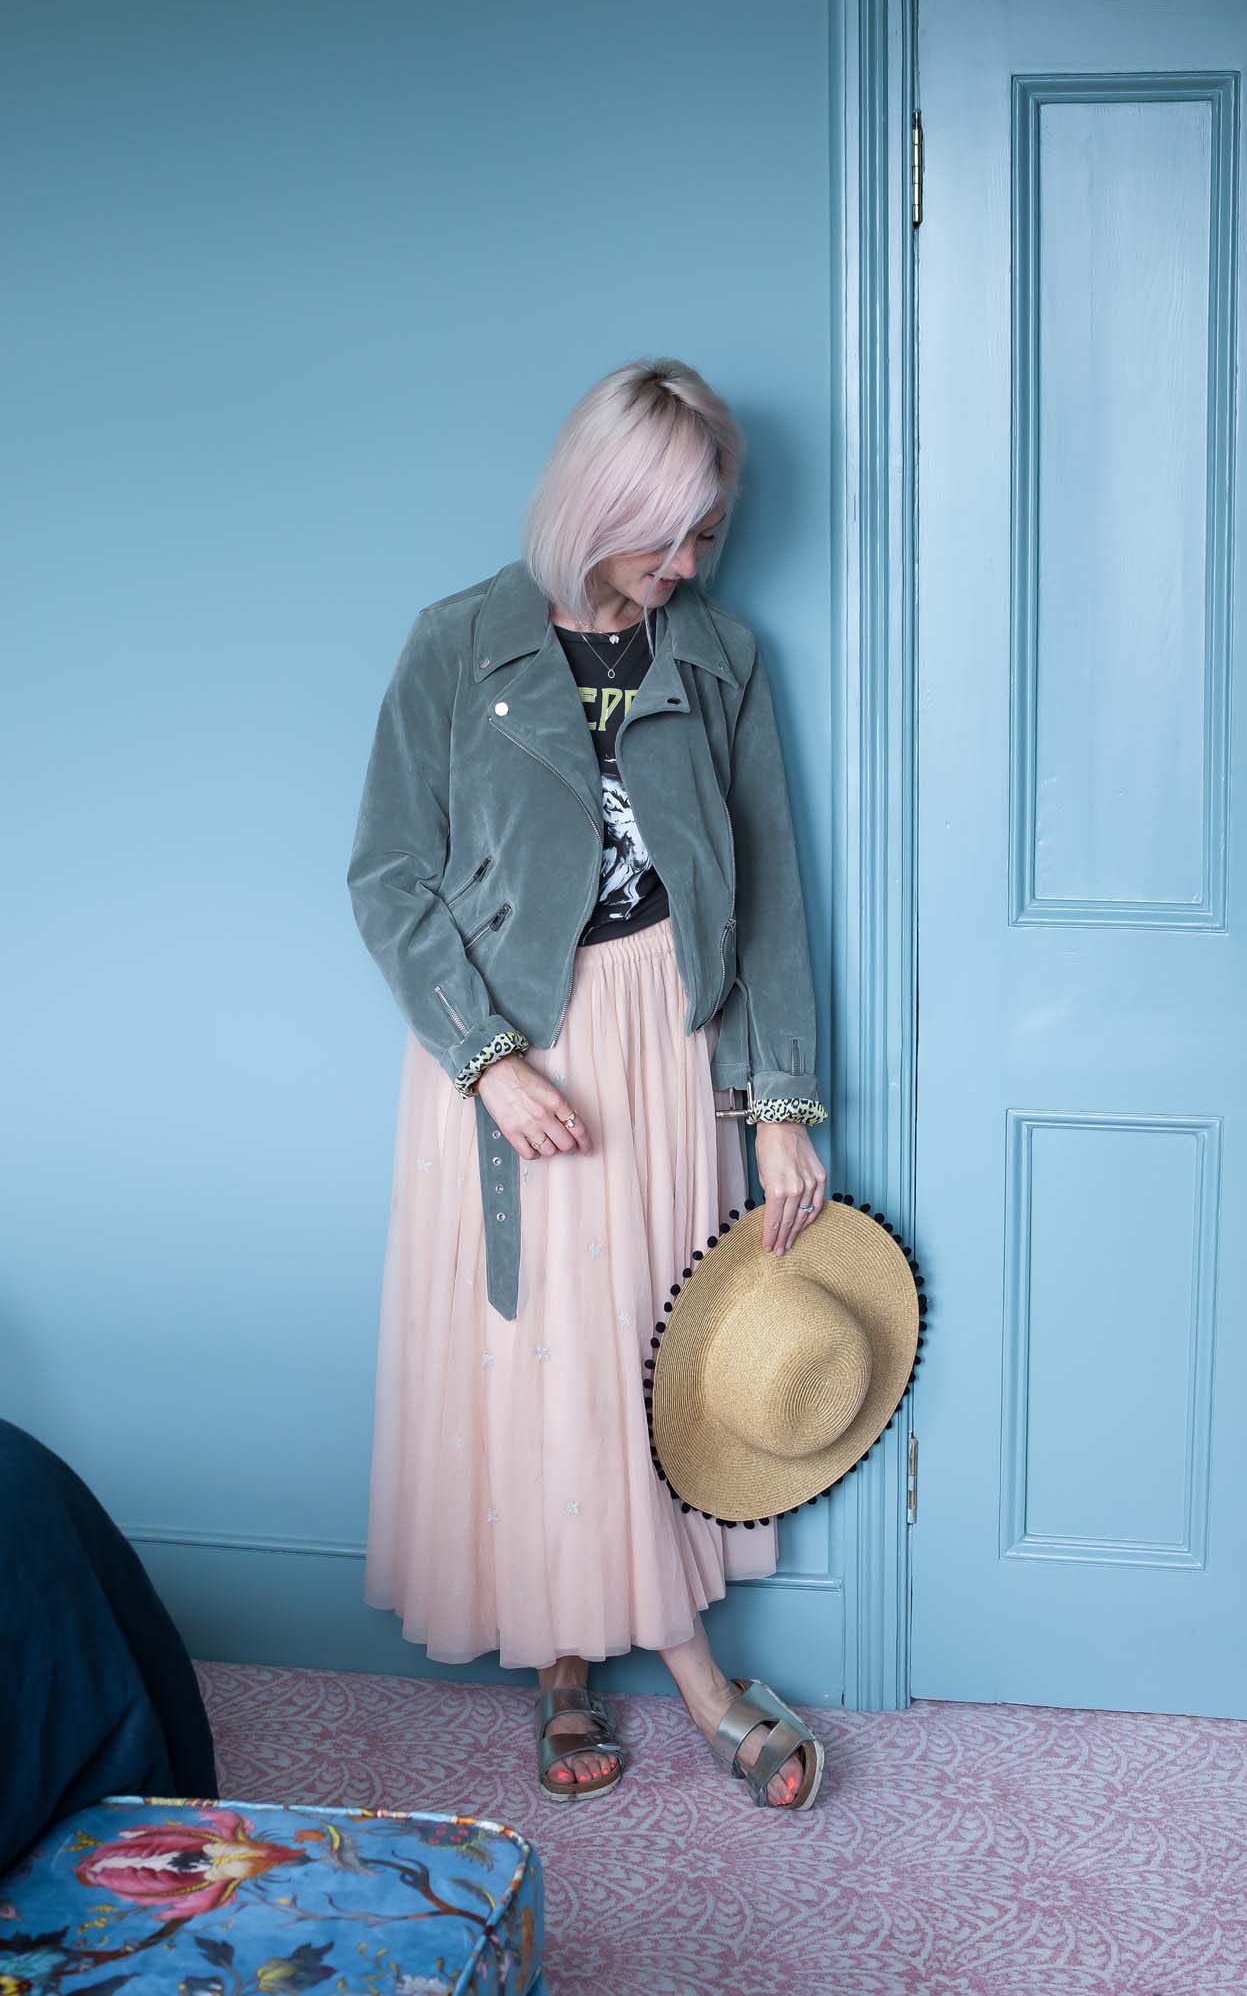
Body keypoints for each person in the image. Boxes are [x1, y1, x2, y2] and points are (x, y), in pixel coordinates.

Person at [348, 357, 829, 1808]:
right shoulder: (456, 647)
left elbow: (770, 901)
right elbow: (387, 875)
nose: (680, 566)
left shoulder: (720, 657)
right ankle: (673, 1676)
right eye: (657, 533)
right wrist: (488, 1065)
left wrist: (781, 1107)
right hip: (516, 1052)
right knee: (537, 1360)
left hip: (668, 1044)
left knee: (647, 1352)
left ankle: (587, 1668)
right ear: (590, 504)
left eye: (703, 535)